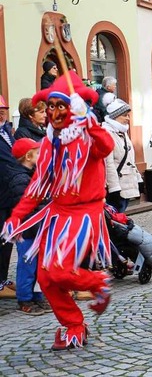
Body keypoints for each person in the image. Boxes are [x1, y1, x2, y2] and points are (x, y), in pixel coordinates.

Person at [1, 72, 114, 350]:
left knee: (61, 271)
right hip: (58, 213)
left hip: (85, 213)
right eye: (49, 106)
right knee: (46, 276)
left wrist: (90, 122)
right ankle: (74, 324)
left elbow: (106, 147)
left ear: (73, 107)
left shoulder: (87, 134)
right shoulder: (51, 143)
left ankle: (97, 281)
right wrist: (16, 218)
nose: (52, 112)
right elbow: (37, 187)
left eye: (59, 105)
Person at [5, 138, 52, 315]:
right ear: (28, 156)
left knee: (38, 264)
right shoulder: (19, 179)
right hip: (27, 229)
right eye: (38, 153)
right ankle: (24, 299)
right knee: (27, 265)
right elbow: (26, 206)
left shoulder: (32, 174)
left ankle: (37, 297)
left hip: (37, 227)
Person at [102, 95, 142, 213]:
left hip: (126, 184)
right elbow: (108, 164)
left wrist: (138, 179)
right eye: (125, 115)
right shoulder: (107, 134)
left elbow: (130, 160)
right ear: (115, 117)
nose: (128, 118)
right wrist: (114, 189)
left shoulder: (122, 132)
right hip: (117, 187)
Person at [0, 95, 17, 299]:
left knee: (7, 239)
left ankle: (3, 279)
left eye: (4, 108)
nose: (2, 111)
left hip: (9, 194)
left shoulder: (8, 132)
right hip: (2, 193)